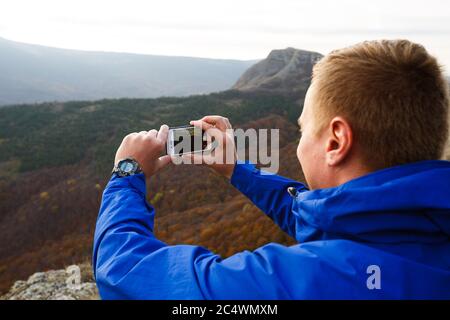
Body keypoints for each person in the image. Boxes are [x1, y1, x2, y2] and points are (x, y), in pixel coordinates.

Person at [92, 40, 450, 299]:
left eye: (303, 129)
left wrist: (126, 174)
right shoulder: (419, 229)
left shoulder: (302, 282)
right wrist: (237, 170)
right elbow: (337, 221)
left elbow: (127, 275)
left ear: (336, 142)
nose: (299, 139)